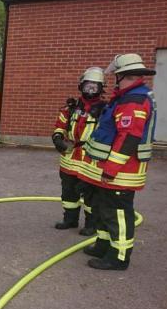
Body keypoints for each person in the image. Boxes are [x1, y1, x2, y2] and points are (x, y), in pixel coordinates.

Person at [79, 54, 156, 270]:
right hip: (114, 170)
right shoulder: (128, 96)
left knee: (118, 214)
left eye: (116, 76)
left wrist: (111, 169)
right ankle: (103, 245)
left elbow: (128, 137)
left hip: (122, 172)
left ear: (123, 76)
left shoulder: (134, 100)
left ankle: (119, 257)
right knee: (105, 209)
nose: (114, 80)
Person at [51, 67, 106, 235]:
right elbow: (60, 126)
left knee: (91, 195)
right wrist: (58, 138)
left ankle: (91, 224)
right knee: (68, 191)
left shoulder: (106, 111)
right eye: (88, 86)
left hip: (91, 159)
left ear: (101, 89)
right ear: (81, 86)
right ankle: (70, 220)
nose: (90, 90)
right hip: (70, 158)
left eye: (95, 87)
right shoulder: (71, 108)